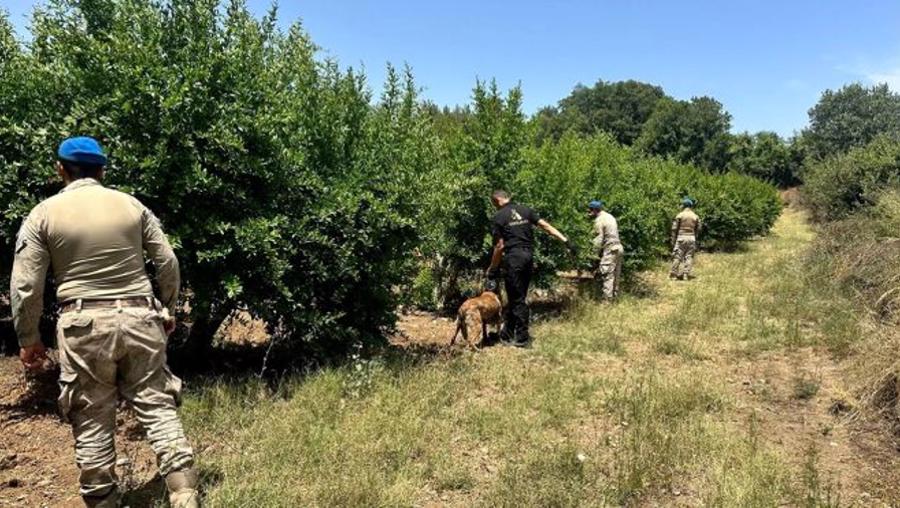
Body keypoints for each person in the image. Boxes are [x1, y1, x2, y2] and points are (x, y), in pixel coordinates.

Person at [10, 137, 200, 508]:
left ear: (61, 169)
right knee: (157, 405)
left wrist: (29, 337)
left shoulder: (43, 214)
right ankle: (184, 493)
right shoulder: (132, 206)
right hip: (140, 315)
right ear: (102, 170)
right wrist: (169, 308)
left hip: (83, 323)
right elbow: (168, 263)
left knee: (92, 415)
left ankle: (103, 500)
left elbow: (26, 285)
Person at [486, 190, 575, 347]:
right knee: (518, 296)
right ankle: (507, 334)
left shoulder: (499, 217)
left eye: (494, 204)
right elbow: (545, 226)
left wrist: (493, 268)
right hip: (528, 257)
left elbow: (499, 246)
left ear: (497, 201)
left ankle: (522, 338)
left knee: (517, 299)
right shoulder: (525, 210)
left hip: (514, 258)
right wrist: (565, 240)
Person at [588, 200, 624, 300]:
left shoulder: (599, 220)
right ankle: (615, 297)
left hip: (610, 249)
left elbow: (598, 241)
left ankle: (606, 301)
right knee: (616, 274)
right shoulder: (610, 216)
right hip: (618, 247)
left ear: (595, 210)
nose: (588, 212)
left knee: (607, 274)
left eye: (590, 210)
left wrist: (593, 256)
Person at [670, 197, 702, 280]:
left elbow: (674, 228)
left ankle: (673, 275)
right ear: (691, 206)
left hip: (681, 237)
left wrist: (673, 240)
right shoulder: (695, 216)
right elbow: (699, 228)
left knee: (677, 256)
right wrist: (695, 236)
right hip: (691, 238)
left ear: (683, 205)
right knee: (689, 256)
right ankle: (685, 274)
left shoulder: (680, 215)